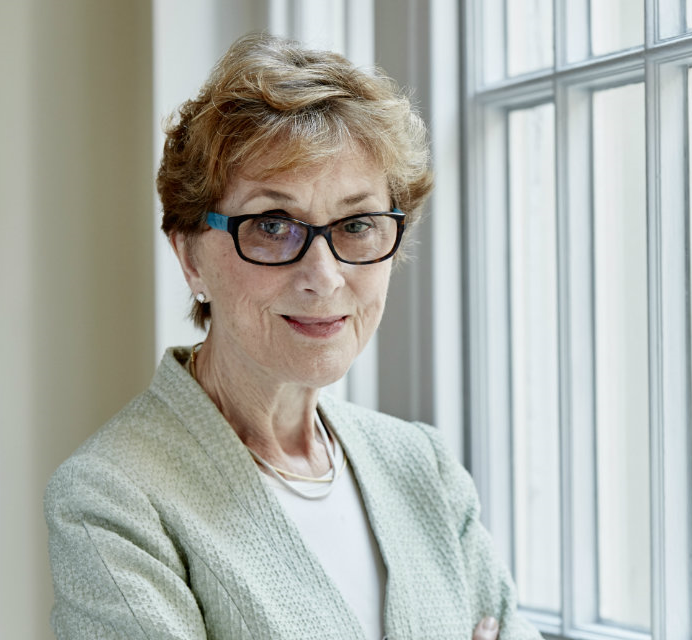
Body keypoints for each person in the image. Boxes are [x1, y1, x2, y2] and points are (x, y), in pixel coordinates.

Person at [45, 33, 541, 640]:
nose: (323, 277)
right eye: (272, 225)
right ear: (191, 257)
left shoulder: (423, 466)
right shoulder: (113, 498)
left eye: (356, 223)